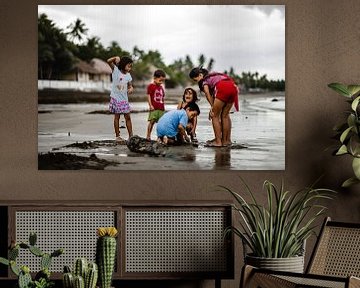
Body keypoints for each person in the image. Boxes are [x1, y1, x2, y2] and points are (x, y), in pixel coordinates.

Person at [189, 67, 239, 147]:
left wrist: (213, 108)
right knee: (225, 115)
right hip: (233, 86)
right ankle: (227, 140)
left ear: (200, 75)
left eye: (196, 80)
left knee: (214, 116)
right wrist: (215, 107)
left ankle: (218, 141)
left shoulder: (204, 80)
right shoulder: (213, 76)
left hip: (223, 87)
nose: (197, 82)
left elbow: (207, 93)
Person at [107, 55, 134, 144]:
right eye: (128, 65)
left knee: (128, 117)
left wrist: (130, 89)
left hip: (124, 100)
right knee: (117, 117)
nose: (130, 68)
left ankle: (131, 136)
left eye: (131, 66)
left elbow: (130, 85)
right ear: (123, 64)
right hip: (116, 98)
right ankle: (117, 136)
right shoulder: (116, 71)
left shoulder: (128, 76)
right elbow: (108, 61)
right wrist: (115, 58)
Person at [146, 69, 166, 140]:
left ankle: (160, 137)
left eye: (162, 81)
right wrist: (150, 105)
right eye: (160, 80)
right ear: (154, 78)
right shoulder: (150, 86)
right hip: (154, 107)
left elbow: (162, 97)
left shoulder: (161, 87)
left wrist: (164, 107)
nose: (161, 82)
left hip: (161, 108)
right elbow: (148, 96)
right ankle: (148, 136)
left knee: (161, 123)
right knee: (152, 121)